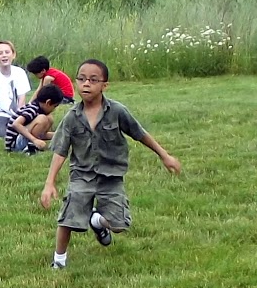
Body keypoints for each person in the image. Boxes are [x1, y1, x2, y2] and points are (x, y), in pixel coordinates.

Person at [38, 59, 181, 269]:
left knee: (119, 225)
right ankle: (59, 261)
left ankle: (97, 222)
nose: (86, 84)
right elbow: (60, 151)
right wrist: (49, 183)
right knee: (68, 216)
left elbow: (140, 134)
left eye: (93, 80)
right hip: (82, 175)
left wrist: (164, 155)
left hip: (111, 176)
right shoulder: (71, 117)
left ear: (104, 85)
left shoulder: (117, 111)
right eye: (82, 79)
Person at [5, 85, 65, 155]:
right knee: (42, 118)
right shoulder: (32, 109)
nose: (54, 109)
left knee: (49, 118)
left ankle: (32, 145)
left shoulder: (39, 108)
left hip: (22, 138)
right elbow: (16, 124)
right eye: (54, 106)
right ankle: (31, 148)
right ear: (48, 102)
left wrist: (60, 135)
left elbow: (42, 135)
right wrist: (35, 140)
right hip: (14, 145)